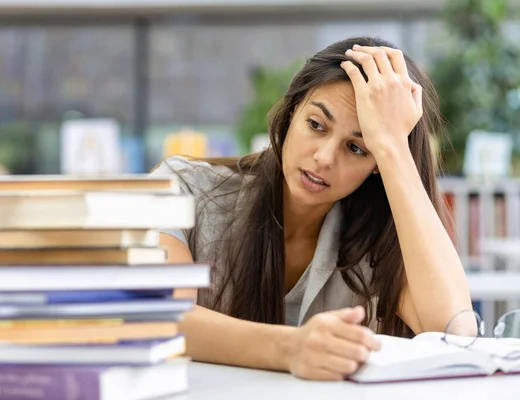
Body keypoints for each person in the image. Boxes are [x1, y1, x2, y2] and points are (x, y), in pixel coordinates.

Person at [150, 36, 474, 381]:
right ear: (291, 113)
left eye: (357, 148)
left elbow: (455, 333)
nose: (324, 158)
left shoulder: (386, 237)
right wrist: (288, 348)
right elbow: (157, 317)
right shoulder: (183, 189)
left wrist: (393, 145)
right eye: (316, 125)